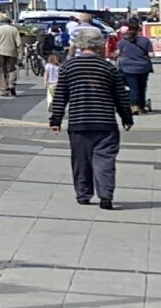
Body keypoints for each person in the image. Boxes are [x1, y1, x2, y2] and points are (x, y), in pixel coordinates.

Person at [49, 31, 135, 208]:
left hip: (79, 122)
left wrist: (56, 119)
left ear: (79, 45)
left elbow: (60, 96)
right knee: (105, 160)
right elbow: (120, 96)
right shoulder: (108, 68)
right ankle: (106, 196)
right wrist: (126, 117)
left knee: (81, 160)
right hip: (105, 122)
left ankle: (83, 194)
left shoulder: (68, 67)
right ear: (99, 46)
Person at [116, 23, 155, 113]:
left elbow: (118, 53)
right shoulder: (145, 41)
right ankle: (142, 106)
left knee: (133, 87)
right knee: (142, 87)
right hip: (143, 67)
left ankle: (134, 106)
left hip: (128, 68)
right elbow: (151, 54)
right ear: (139, 30)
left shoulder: (123, 41)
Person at [0, 13, 24, 97]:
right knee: (12, 69)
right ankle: (12, 85)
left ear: (1, 22)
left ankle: (4, 90)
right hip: (12, 53)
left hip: (0, 52)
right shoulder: (14, 30)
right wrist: (20, 55)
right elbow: (19, 43)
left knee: (1, 71)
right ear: (10, 22)